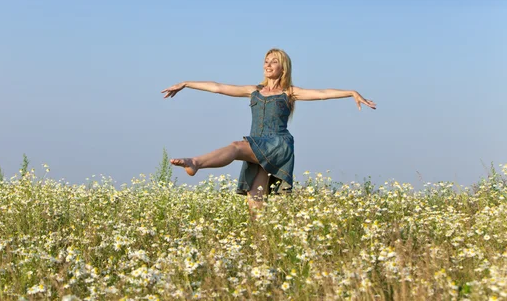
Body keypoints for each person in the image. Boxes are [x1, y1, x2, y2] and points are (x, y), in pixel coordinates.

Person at [161, 48, 376, 211]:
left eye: (274, 62)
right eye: (266, 61)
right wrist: (187, 83)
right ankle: (262, 249)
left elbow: (322, 93)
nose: (268, 65)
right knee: (255, 204)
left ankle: (195, 163)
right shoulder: (253, 91)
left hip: (278, 145)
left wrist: (351, 92)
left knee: (236, 147)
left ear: (283, 68)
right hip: (257, 146)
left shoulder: (289, 92)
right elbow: (217, 87)